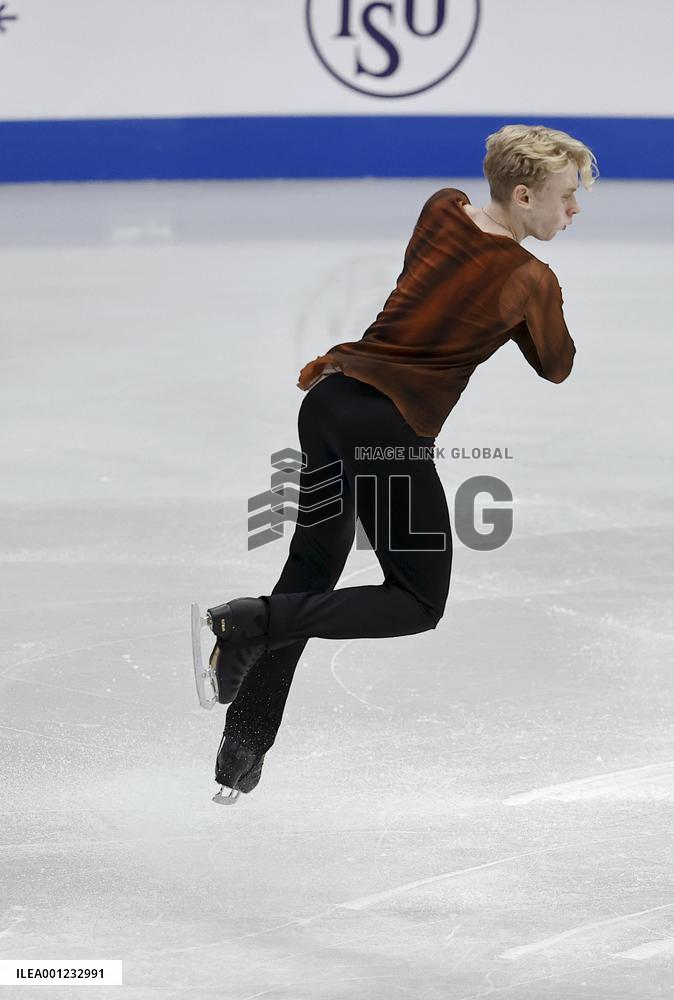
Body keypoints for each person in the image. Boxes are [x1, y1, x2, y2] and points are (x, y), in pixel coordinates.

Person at [203, 123, 598, 799]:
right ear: (526, 195)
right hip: (385, 429)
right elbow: (556, 365)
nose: (574, 211)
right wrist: (540, 295)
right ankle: (249, 624)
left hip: (328, 402)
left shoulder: (442, 207)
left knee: (309, 573)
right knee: (416, 600)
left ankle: (243, 745)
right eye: (566, 197)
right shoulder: (530, 279)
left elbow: (452, 277)